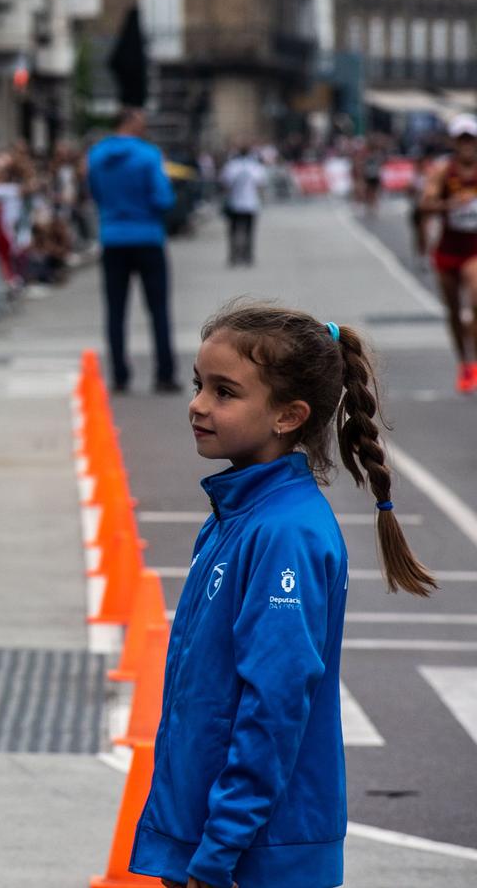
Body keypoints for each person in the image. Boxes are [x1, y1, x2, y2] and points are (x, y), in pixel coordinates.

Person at [129, 305, 433, 888]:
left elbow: (274, 707)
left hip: (255, 853)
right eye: (199, 385)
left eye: (224, 392)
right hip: (210, 836)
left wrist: (217, 851)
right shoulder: (235, 513)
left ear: (289, 416)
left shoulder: (285, 532)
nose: (197, 405)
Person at [88, 108, 178, 394]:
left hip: (112, 237)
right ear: (131, 123)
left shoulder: (96, 155)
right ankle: (164, 373)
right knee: (158, 309)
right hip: (148, 237)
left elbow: (95, 193)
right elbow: (163, 198)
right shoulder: (149, 155)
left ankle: (120, 375)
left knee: (115, 311)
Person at [417, 116, 477, 392]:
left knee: (475, 299)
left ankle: (474, 360)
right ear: (454, 142)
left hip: (473, 250)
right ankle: (464, 363)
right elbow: (424, 206)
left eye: (471, 139)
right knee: (453, 311)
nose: (467, 145)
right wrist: (451, 204)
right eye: (462, 139)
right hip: (448, 251)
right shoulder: (443, 171)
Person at [218, 143, 264, 268]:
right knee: (249, 231)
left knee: (233, 231)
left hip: (235, 203)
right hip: (251, 203)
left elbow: (224, 183)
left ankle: (233, 255)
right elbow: (260, 184)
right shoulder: (255, 166)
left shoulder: (231, 166)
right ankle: (247, 255)